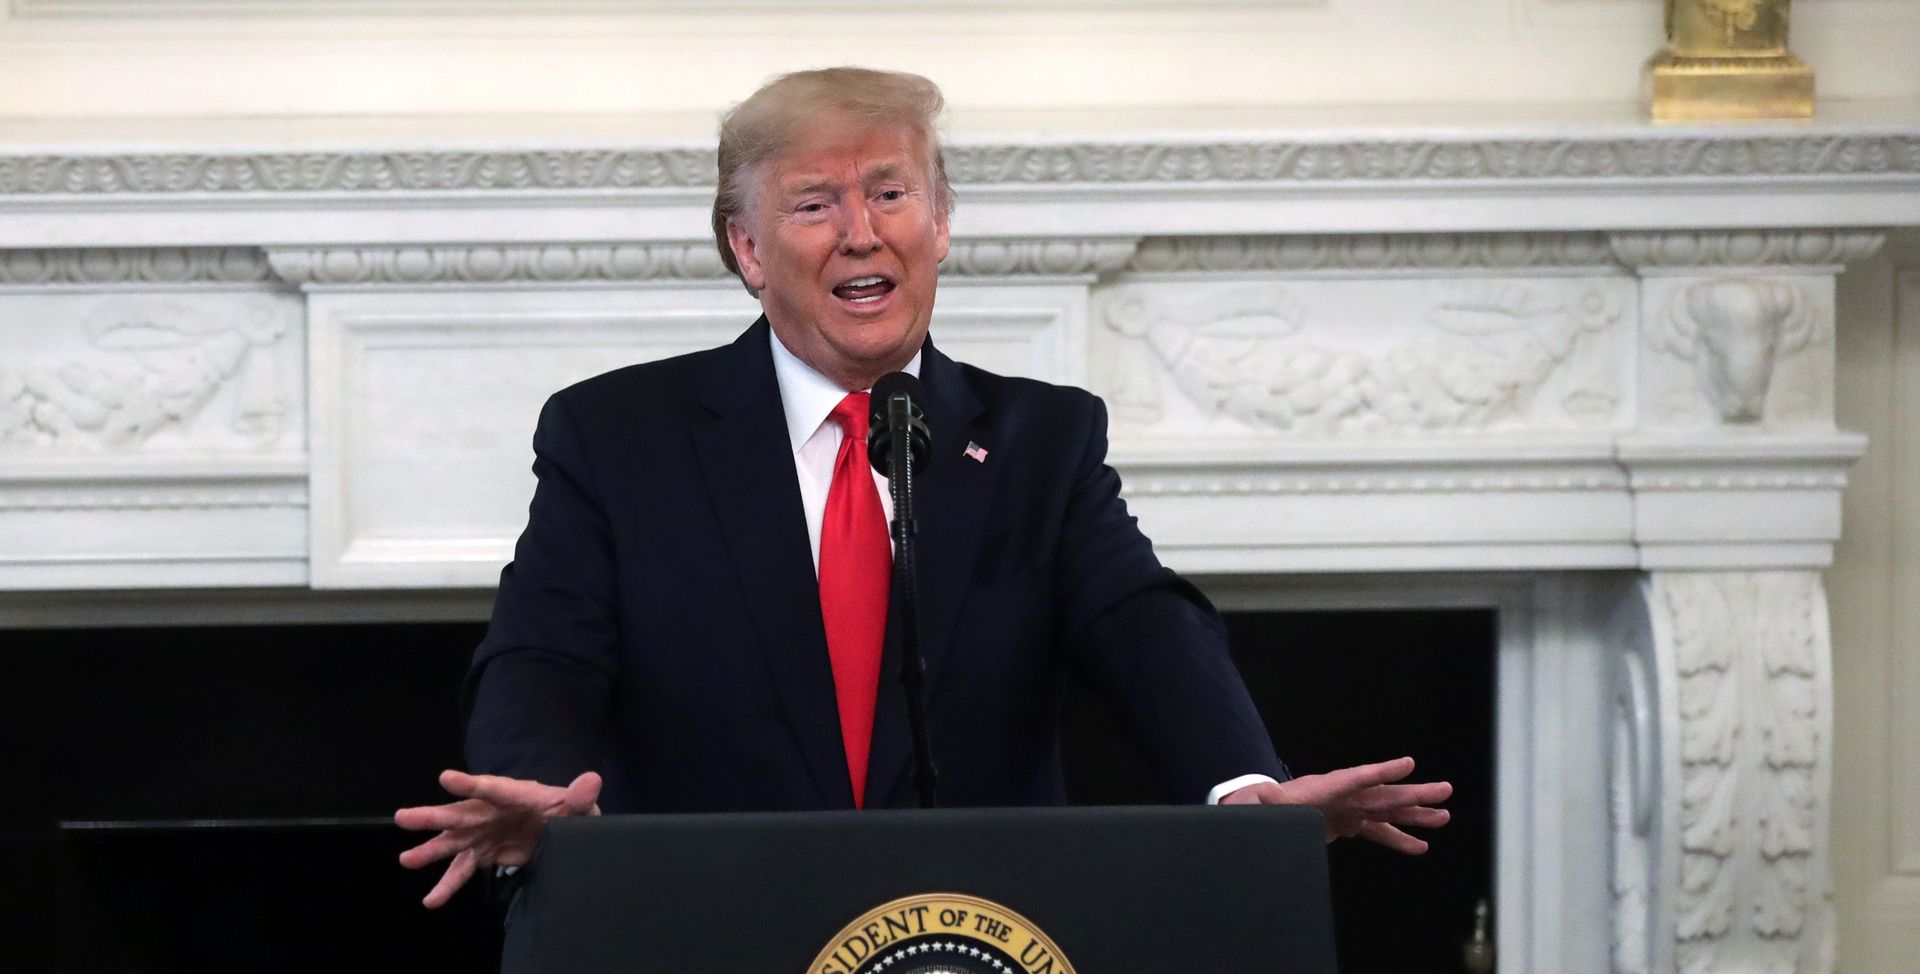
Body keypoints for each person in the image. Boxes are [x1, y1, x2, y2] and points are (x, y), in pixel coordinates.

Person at [396, 67, 1451, 909]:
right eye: (816, 203)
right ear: (747, 248)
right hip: (709, 927)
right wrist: (537, 784)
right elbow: (544, 650)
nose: (863, 231)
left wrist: (1243, 787)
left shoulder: (1043, 438)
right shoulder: (618, 435)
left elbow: (1143, 623)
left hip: (973, 954)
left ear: (938, 224)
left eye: (890, 193)